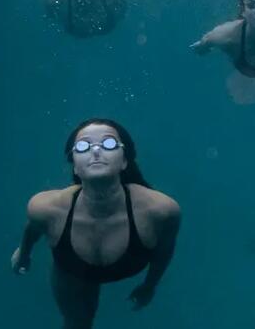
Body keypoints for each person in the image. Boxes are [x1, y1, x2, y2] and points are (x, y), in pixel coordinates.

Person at [13, 119, 182, 329]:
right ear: (74, 165)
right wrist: (24, 253)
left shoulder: (161, 210)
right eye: (83, 146)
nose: (95, 152)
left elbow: (164, 250)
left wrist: (150, 285)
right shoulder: (46, 208)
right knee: (78, 323)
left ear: (124, 161)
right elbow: (33, 229)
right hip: (72, 270)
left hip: (122, 263)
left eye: (109, 144)